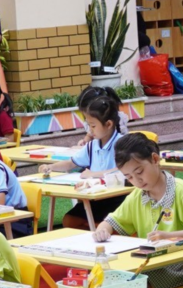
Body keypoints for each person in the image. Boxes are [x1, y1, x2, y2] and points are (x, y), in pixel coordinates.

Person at [91, 133, 183, 288]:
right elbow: (111, 221)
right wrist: (102, 229)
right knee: (119, 277)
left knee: (135, 281)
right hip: (153, 262)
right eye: (129, 177)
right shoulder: (138, 195)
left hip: (182, 264)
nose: (137, 180)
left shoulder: (180, 190)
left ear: (155, 159)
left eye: (140, 172)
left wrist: (168, 236)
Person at [45, 89, 124, 230]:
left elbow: (123, 170)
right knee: (70, 221)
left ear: (108, 124)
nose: (90, 130)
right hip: (96, 197)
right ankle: (97, 229)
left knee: (111, 224)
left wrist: (93, 174)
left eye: (93, 126)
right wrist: (51, 167)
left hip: (117, 199)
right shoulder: (92, 145)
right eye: (88, 125)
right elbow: (71, 163)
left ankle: (103, 229)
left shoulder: (122, 144)